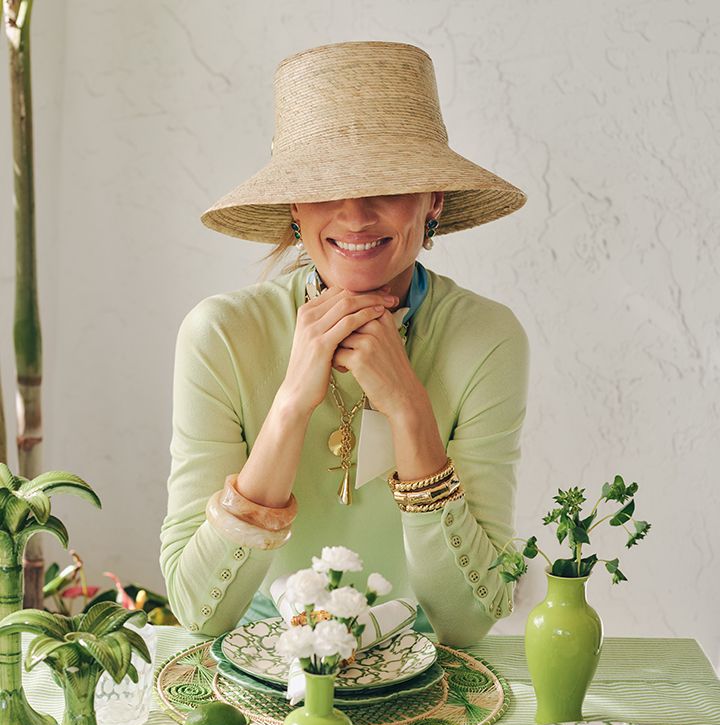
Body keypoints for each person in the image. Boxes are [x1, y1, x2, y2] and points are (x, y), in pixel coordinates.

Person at [160, 40, 529, 647]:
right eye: (325, 187)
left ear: (433, 199)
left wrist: (410, 408)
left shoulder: (487, 338)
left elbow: (467, 621)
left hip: (428, 672)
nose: (355, 215)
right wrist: (290, 405)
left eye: (389, 184)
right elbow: (201, 612)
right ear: (294, 207)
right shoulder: (220, 335)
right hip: (260, 672)